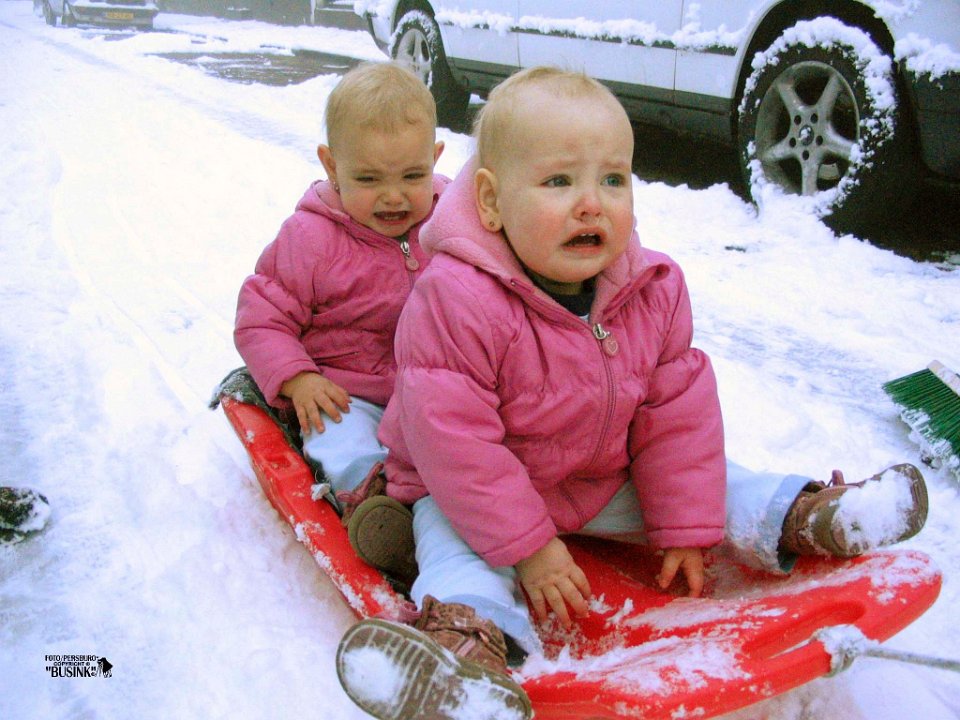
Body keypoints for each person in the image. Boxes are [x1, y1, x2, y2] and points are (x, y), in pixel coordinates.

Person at [334, 67, 929, 720]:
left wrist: (680, 520)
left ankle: (806, 515)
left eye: (612, 179)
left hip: (595, 478)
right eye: (559, 181)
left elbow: (676, 417)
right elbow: (454, 443)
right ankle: (463, 652)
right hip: (464, 495)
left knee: (720, 480)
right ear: (491, 202)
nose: (592, 203)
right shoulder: (455, 299)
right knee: (456, 552)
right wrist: (529, 547)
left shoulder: (649, 289)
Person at [233, 61, 446, 582]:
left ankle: (476, 511)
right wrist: (298, 377)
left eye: (413, 176)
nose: (394, 196)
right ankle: (375, 502)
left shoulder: (451, 225)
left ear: (435, 158)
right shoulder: (311, 239)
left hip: (434, 390)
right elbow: (260, 318)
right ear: (331, 165)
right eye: (369, 179)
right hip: (347, 392)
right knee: (335, 432)